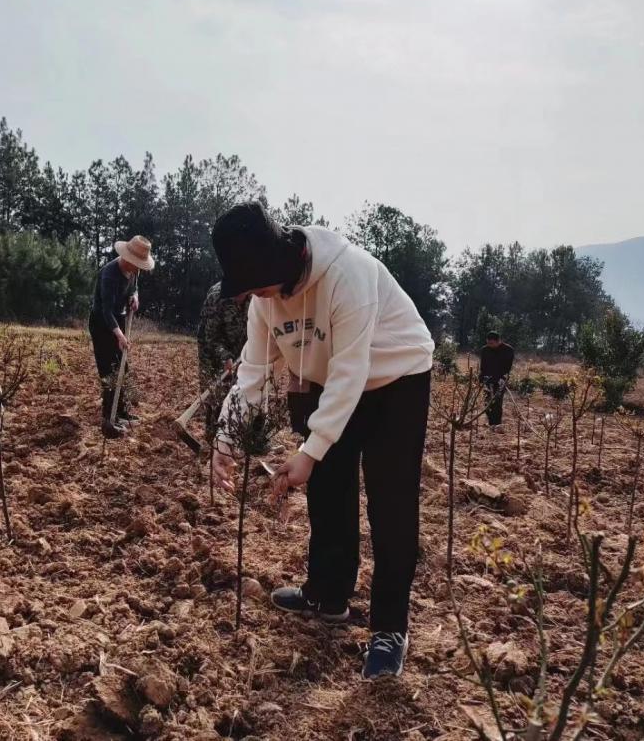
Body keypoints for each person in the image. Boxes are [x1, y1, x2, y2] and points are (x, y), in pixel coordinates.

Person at [210, 202, 434, 680]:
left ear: (281, 262)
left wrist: (310, 450)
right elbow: (252, 371)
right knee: (330, 488)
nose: (258, 297)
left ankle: (389, 629)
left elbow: (351, 372)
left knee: (390, 503)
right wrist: (225, 438)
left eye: (259, 285)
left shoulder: (348, 275)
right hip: (331, 379)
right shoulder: (265, 300)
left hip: (397, 376)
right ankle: (328, 596)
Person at [88, 235, 154, 438]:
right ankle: (109, 417)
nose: (138, 269)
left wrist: (135, 297)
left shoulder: (134, 271)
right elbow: (106, 311)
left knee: (123, 368)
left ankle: (123, 412)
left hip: (119, 319)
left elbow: (134, 288)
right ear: (127, 258)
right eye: (137, 265)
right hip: (102, 324)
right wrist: (118, 335)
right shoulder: (109, 274)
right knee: (109, 372)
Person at [196, 281, 250, 437]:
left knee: (238, 390)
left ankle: (232, 433)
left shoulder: (254, 296)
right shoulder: (217, 296)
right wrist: (225, 357)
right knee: (215, 393)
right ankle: (212, 435)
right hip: (211, 351)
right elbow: (211, 337)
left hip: (239, 349)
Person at [479, 331, 514, 430]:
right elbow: (483, 366)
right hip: (487, 379)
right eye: (488, 343)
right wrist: (481, 378)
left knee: (497, 403)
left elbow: (507, 368)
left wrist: (502, 378)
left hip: (500, 380)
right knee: (487, 402)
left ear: (499, 341)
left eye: (492, 343)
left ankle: (497, 424)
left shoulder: (508, 350)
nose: (490, 345)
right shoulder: (485, 350)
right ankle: (491, 424)